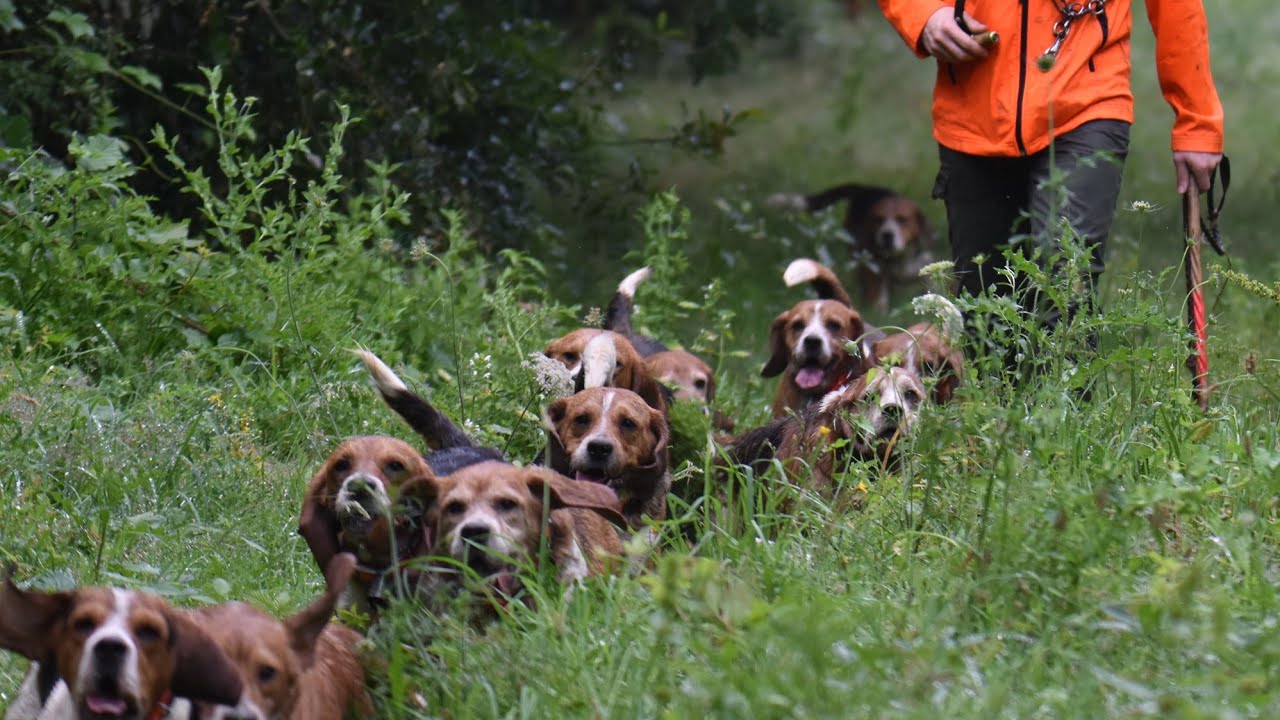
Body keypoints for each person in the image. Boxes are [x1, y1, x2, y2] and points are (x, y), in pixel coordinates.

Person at [877, 0, 1224, 328]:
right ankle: (1001, 393)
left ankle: (1067, 389)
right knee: (986, 315)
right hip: (972, 105)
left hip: (1086, 100)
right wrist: (923, 13)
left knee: (1065, 289)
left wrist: (1198, 124)